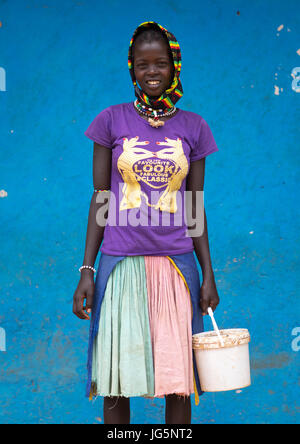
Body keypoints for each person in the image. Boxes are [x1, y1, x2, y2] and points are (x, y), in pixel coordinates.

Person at [73, 21, 220, 425]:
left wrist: (207, 273)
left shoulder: (194, 127)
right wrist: (88, 269)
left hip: (177, 266)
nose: (151, 72)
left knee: (178, 380)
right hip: (119, 265)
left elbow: (194, 202)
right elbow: (101, 197)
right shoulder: (111, 120)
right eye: (142, 65)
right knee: (117, 379)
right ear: (132, 69)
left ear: (174, 67)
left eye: (160, 64)